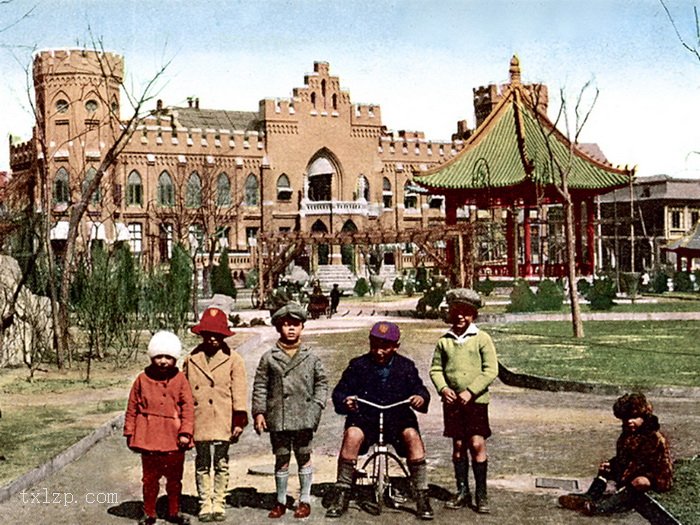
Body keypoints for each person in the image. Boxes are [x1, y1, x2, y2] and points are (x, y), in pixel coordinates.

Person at [326, 321, 433, 520]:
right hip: (366, 420)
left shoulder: (405, 366)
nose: (379, 351)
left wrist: (420, 398)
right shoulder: (358, 365)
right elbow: (340, 391)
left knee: (412, 436)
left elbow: (420, 389)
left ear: (396, 346)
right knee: (352, 435)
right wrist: (345, 400)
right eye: (374, 345)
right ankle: (342, 492)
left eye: (385, 346)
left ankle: (421, 494)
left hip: (397, 419)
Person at [252, 302, 329, 519]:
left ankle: (304, 499)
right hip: (279, 417)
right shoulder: (269, 357)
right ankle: (280, 500)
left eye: (295, 324)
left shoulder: (311, 356)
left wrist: (317, 406)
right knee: (282, 458)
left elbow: (321, 382)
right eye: (285, 325)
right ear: (278, 328)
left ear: (302, 327)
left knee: (304, 456)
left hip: (304, 415)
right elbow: (260, 386)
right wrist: (259, 412)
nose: (291, 329)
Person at [429, 288, 498, 514]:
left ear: (473, 315)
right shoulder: (444, 341)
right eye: (456, 311)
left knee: (476, 444)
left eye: (466, 312)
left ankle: (481, 493)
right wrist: (444, 388)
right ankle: (462, 490)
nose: (461, 317)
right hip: (453, 404)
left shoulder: (481, 338)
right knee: (458, 446)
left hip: (476, 402)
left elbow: (491, 370)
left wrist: (470, 391)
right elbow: (436, 369)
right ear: (450, 313)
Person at [558, 393, 673, 516]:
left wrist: (623, 476)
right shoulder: (628, 434)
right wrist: (611, 464)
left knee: (640, 482)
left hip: (654, 475)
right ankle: (590, 496)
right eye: (625, 418)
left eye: (634, 417)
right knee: (606, 468)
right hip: (631, 469)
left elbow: (643, 464)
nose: (629, 421)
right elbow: (623, 457)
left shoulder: (653, 438)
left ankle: (603, 507)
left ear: (644, 416)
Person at [183, 307, 249, 522]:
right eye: (208, 334)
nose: (212, 339)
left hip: (223, 418)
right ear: (201, 335)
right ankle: (205, 503)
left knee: (221, 462)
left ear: (224, 336)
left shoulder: (233, 359)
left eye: (217, 335)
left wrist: (239, 419)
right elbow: (183, 392)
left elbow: (239, 391)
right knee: (202, 463)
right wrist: (184, 421)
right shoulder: (191, 359)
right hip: (199, 417)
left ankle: (219, 502)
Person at [124, 331, 194, 525]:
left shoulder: (180, 380)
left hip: (174, 438)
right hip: (149, 438)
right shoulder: (142, 379)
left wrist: (186, 432)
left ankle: (174, 511)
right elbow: (132, 407)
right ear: (152, 356)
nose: (163, 361)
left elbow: (188, 407)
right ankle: (149, 512)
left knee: (174, 479)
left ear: (175, 358)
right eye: (159, 357)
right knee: (149, 479)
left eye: (168, 357)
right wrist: (130, 432)